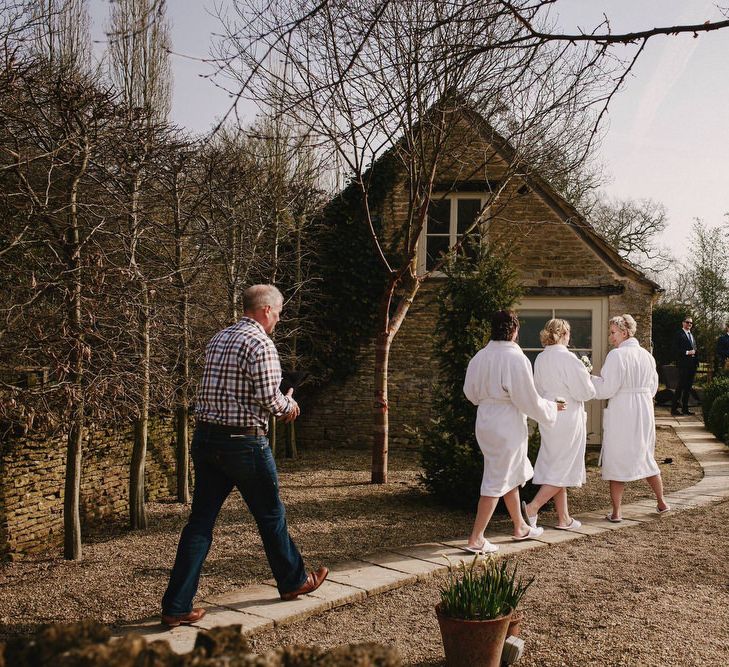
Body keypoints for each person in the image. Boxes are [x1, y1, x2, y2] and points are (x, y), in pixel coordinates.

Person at [161, 284, 328, 627]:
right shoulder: (261, 343)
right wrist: (290, 403)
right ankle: (294, 581)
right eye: (279, 313)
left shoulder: (218, 338)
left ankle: (176, 605)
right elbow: (271, 400)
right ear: (266, 309)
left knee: (200, 523)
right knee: (271, 516)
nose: (279, 320)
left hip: (207, 440)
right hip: (244, 444)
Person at [463, 310, 565, 554]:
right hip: (506, 423)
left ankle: (520, 526)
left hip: (486, 420)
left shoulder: (480, 356)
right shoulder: (515, 358)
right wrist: (551, 407)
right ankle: (476, 538)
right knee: (496, 479)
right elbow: (526, 398)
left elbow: (470, 392)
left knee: (510, 472)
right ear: (515, 330)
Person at [591, 314, 669, 522]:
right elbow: (653, 387)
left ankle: (616, 513)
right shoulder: (647, 356)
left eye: (613, 333)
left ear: (624, 332)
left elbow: (607, 388)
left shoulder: (617, 356)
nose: (611, 337)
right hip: (643, 409)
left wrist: (589, 379)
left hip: (623, 410)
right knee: (644, 452)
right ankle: (661, 502)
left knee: (617, 456)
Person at [521, 319, 596, 531]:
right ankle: (532, 508)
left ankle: (564, 518)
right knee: (563, 465)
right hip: (568, 413)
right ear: (564, 334)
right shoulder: (570, 359)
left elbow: (537, 388)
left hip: (550, 413)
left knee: (557, 464)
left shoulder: (541, 358)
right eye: (568, 333)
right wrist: (588, 378)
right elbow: (586, 392)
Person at [671, 316, 698, 416]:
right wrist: (687, 352)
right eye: (687, 322)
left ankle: (685, 409)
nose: (689, 324)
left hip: (692, 364)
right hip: (683, 365)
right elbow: (674, 350)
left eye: (691, 323)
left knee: (688, 387)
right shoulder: (679, 334)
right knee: (680, 386)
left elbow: (694, 348)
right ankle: (674, 409)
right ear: (683, 323)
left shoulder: (691, 335)